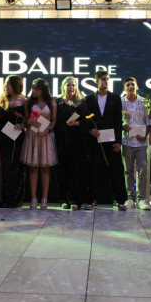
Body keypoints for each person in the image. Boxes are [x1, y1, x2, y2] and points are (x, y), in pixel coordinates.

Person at [81, 70, 126, 209]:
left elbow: (118, 120)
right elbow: (85, 119)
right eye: (103, 79)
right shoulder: (88, 98)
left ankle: (119, 200)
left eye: (107, 79)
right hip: (94, 140)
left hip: (111, 139)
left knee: (115, 170)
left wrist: (118, 141)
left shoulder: (115, 98)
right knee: (93, 170)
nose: (105, 81)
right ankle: (91, 199)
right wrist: (91, 130)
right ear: (96, 81)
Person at [22, 78, 58, 209]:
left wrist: (48, 129)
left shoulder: (52, 102)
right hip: (33, 135)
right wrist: (30, 121)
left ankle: (44, 199)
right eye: (32, 88)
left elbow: (54, 121)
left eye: (36, 88)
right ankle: (33, 198)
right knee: (33, 167)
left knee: (45, 168)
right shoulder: (28, 102)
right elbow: (26, 120)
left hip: (46, 136)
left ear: (43, 90)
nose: (33, 90)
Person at [0, 75, 28, 208]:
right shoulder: (1, 99)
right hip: (2, 136)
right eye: (5, 84)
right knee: (1, 166)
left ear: (16, 85)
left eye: (9, 84)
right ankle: (1, 198)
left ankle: (14, 198)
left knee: (16, 166)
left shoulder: (24, 100)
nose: (6, 86)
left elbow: (28, 120)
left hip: (17, 138)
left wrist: (22, 125)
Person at [55, 76, 86, 210]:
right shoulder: (57, 102)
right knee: (62, 171)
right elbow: (52, 119)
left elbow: (88, 120)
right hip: (61, 141)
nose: (71, 87)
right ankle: (63, 199)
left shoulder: (81, 103)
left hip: (76, 141)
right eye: (68, 85)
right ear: (63, 87)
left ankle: (75, 199)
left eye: (73, 85)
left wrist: (77, 123)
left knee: (76, 171)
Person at [121, 77, 150, 209]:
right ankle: (130, 198)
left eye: (132, 84)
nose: (130, 86)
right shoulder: (121, 102)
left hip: (141, 143)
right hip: (126, 141)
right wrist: (123, 126)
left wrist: (145, 135)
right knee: (128, 170)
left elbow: (148, 122)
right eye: (128, 85)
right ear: (124, 88)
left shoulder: (144, 102)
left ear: (137, 86)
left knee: (142, 170)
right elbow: (117, 121)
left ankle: (142, 199)